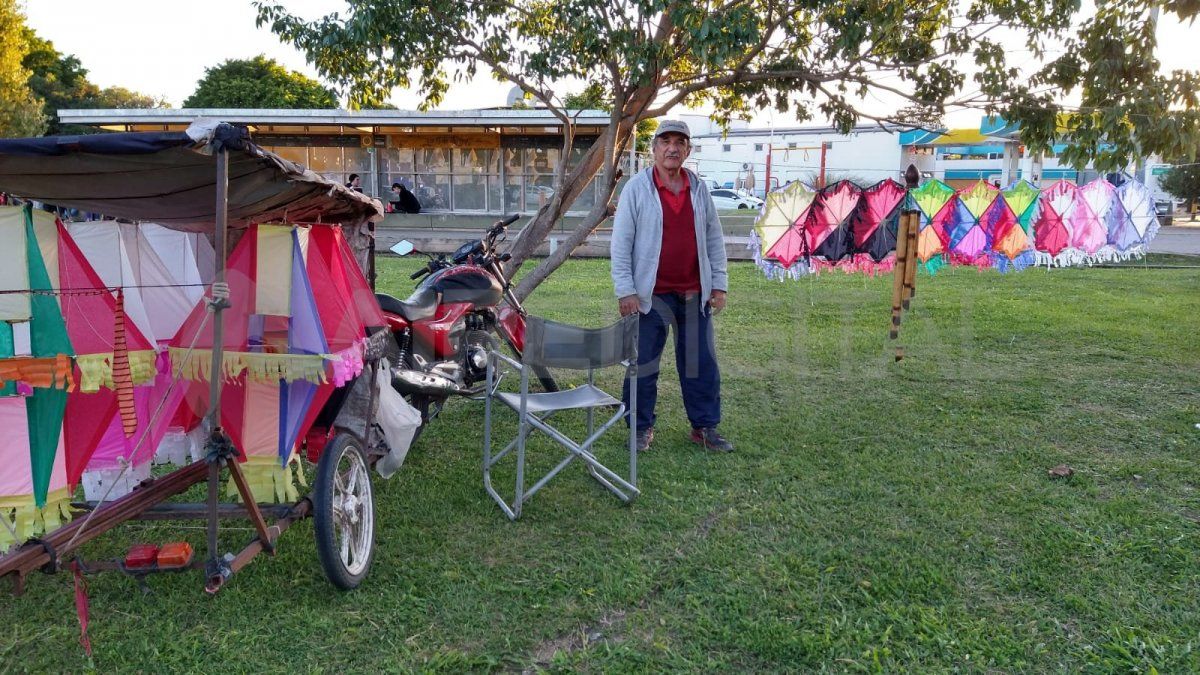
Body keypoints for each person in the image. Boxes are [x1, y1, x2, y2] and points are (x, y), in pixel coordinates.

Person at [610, 119, 732, 453]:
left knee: (700, 365)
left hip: (695, 293)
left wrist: (718, 284)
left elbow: (713, 238)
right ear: (654, 147)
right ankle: (639, 428)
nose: (673, 148)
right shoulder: (637, 188)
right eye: (666, 141)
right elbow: (621, 244)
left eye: (680, 142)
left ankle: (704, 427)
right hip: (650, 297)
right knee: (644, 365)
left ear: (688, 150)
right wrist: (626, 290)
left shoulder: (698, 187)